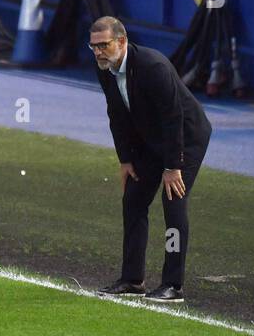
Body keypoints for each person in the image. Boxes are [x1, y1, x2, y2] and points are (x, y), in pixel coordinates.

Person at [90, 17, 212, 304]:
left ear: (121, 41)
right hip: (151, 139)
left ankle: (173, 285)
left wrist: (172, 167)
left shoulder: (152, 66)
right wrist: (126, 159)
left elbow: (173, 118)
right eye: (93, 46)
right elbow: (116, 115)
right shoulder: (105, 69)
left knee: (173, 201)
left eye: (103, 45)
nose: (98, 52)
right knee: (133, 199)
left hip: (186, 136)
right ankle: (132, 280)